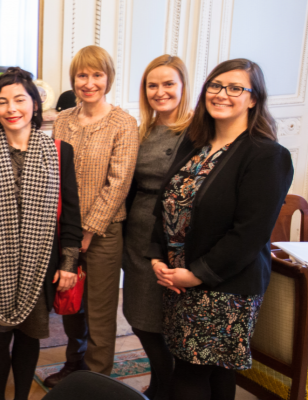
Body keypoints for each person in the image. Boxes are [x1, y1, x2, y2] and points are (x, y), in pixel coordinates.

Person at [148, 58, 293, 400]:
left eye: (235, 88)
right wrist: (158, 257)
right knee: (211, 370)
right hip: (179, 280)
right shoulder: (194, 145)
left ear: (254, 99)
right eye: (215, 86)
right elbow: (166, 206)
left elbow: (250, 234)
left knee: (190, 372)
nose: (222, 94)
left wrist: (197, 274)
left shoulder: (267, 155)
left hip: (224, 286)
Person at [0, 67, 82, 400]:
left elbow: (72, 215)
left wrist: (69, 264)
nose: (11, 109)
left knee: (29, 339)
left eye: (19, 100)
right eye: (2, 102)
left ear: (35, 105)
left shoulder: (59, 152)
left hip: (39, 265)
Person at [44, 45, 138, 386]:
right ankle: (73, 363)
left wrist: (86, 231)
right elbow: (54, 176)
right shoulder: (63, 120)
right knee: (69, 300)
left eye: (97, 75)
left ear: (108, 78)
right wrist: (67, 232)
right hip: (65, 230)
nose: (89, 82)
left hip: (104, 232)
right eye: (82, 75)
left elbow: (119, 183)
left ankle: (97, 377)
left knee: (98, 308)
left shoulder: (124, 124)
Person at [123, 54, 193, 400]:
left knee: (165, 318)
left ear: (183, 87)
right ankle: (162, 377)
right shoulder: (143, 129)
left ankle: (166, 386)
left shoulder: (196, 130)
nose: (160, 91)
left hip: (172, 233)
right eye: (153, 85)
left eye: (168, 84)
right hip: (136, 230)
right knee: (138, 315)